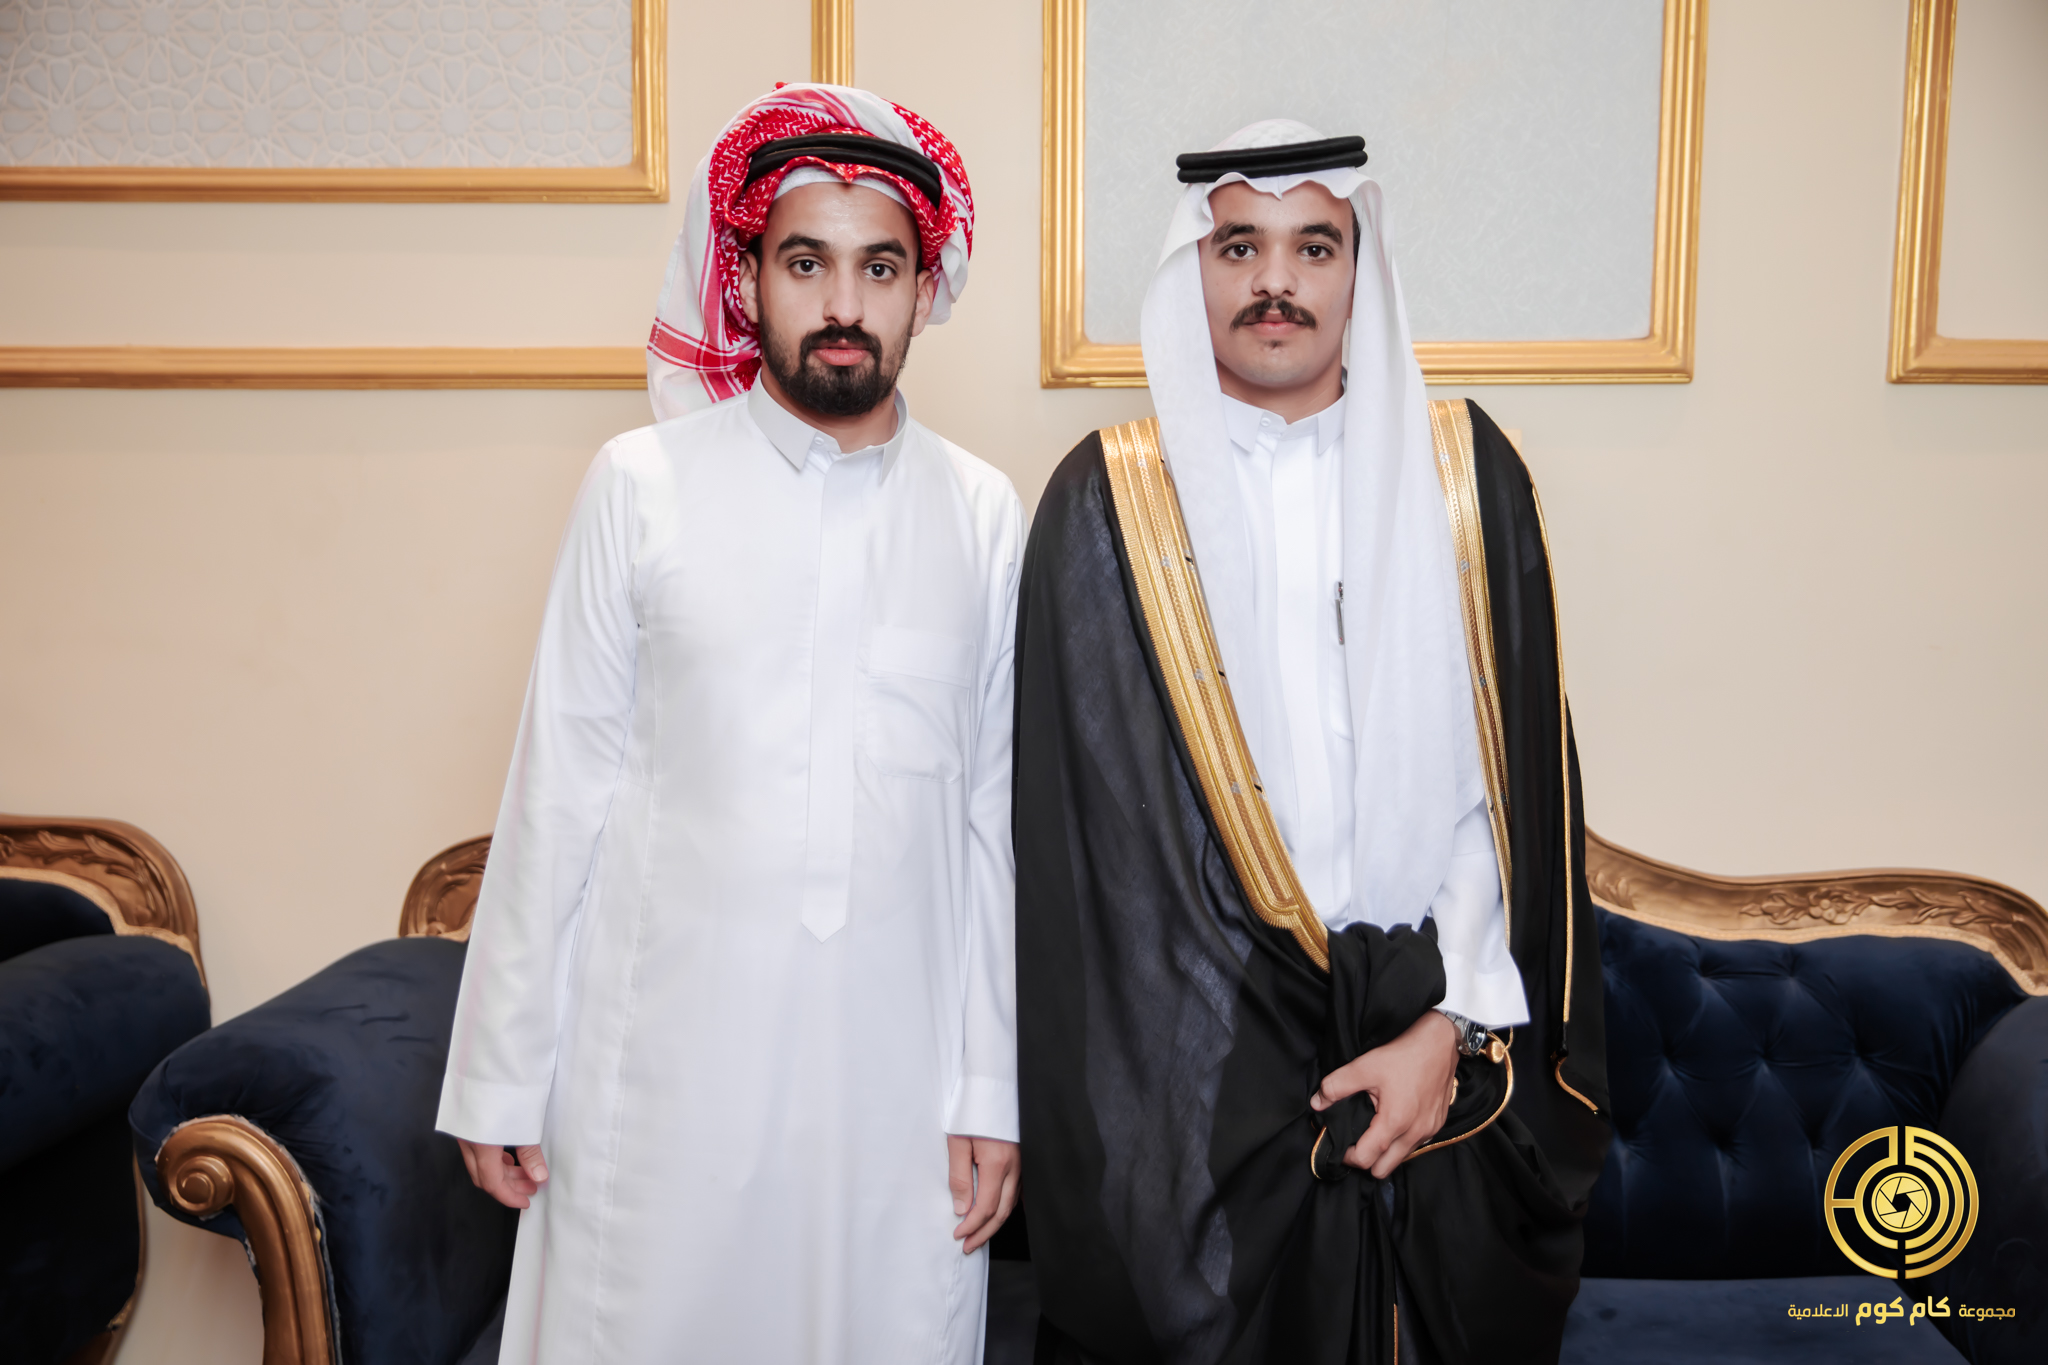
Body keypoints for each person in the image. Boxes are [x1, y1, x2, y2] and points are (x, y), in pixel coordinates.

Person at [437, 84, 1023, 1364]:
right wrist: (498, 1073)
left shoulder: (983, 513)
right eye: (805, 263)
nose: (842, 303)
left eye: (879, 268)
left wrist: (991, 1090)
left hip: (896, 1097)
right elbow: (557, 791)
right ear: (746, 280)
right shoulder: (639, 485)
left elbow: (993, 828)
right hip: (656, 1085)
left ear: (924, 290)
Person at [1014, 121, 1611, 1365]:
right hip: (1200, 1078)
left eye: (1313, 247)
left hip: (1439, 1044)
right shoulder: (1107, 502)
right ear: (1192, 268)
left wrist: (1445, 1029)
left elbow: (1500, 812)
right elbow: (1092, 868)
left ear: (1357, 269)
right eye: (1238, 246)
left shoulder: (1463, 481)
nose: (1274, 281)